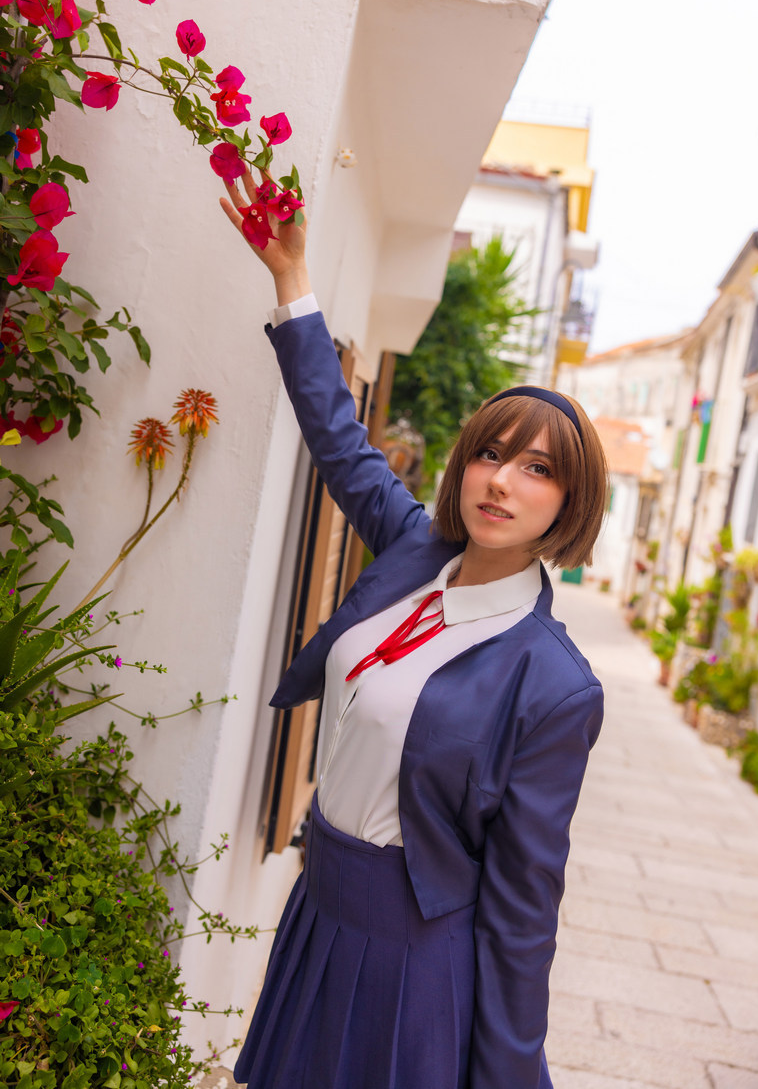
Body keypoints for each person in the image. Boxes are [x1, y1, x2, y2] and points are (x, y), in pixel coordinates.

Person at [220, 171, 609, 1089]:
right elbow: (339, 441)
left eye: (537, 470)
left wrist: (510, 1071)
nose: (501, 480)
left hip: (412, 957)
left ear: (569, 503)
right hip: (317, 908)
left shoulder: (554, 685)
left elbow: (523, 903)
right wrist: (293, 282)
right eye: (490, 452)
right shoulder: (410, 551)